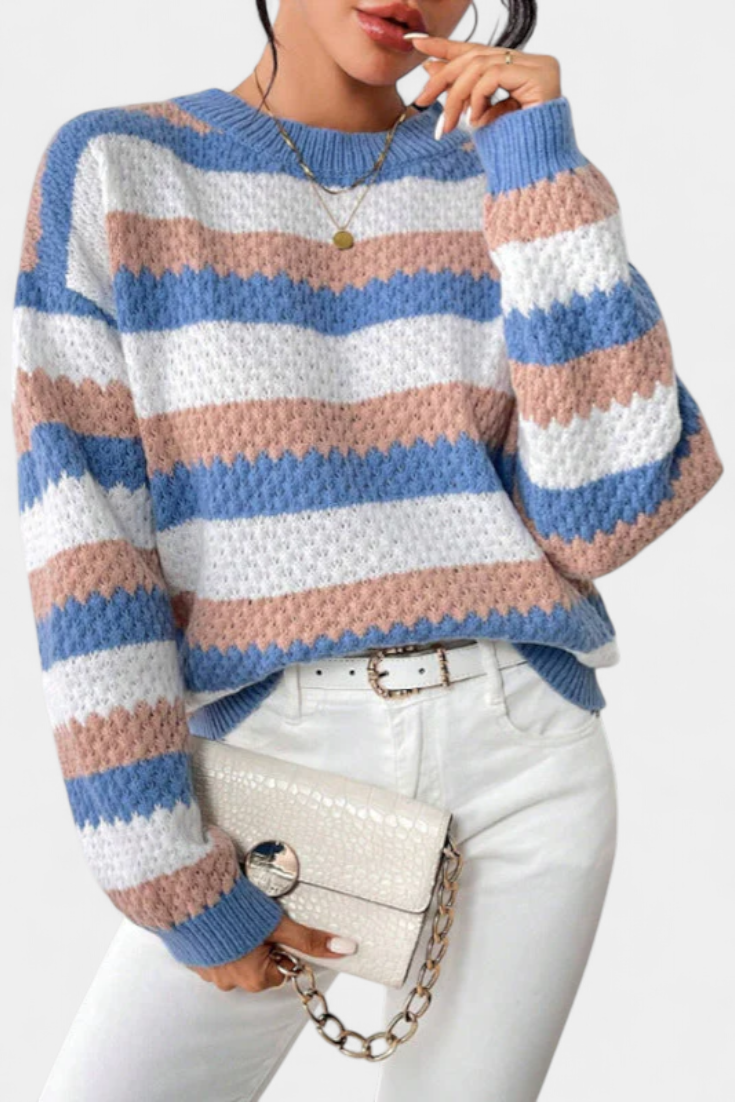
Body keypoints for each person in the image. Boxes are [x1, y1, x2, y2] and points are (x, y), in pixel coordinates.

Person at [11, 1, 724, 1099]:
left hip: (524, 756)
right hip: (277, 760)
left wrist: (538, 166)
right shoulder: (118, 166)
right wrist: (164, 871)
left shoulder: (503, 169)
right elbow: (85, 538)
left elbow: (603, 513)